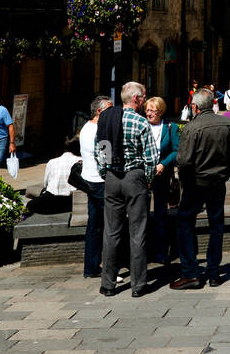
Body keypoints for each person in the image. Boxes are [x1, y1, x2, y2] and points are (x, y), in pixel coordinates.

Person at [171, 86, 230, 289]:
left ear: (194, 107)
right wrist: (225, 174)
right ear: (213, 103)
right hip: (217, 183)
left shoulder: (192, 128)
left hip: (195, 183)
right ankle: (213, 273)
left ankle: (191, 273)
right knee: (216, 226)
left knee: (184, 224)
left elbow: (183, 161)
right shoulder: (227, 124)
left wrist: (185, 180)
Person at [96, 82, 157, 298]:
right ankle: (139, 285)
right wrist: (147, 179)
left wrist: (107, 174)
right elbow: (151, 158)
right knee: (137, 231)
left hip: (113, 178)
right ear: (137, 99)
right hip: (134, 178)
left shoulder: (106, 118)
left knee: (111, 232)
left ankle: (108, 284)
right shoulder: (141, 122)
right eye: (143, 98)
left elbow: (101, 153)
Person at [74, 94, 112, 278]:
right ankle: (110, 266)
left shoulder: (86, 128)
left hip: (90, 181)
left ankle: (91, 267)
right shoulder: (99, 131)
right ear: (99, 111)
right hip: (100, 183)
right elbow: (107, 158)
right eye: (109, 109)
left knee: (94, 225)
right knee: (111, 225)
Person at [144, 97, 180, 269]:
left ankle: (160, 253)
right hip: (143, 177)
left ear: (161, 111)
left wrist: (163, 164)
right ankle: (143, 253)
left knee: (160, 214)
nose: (149, 113)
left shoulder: (170, 127)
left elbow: (176, 151)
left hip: (162, 176)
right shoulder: (141, 125)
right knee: (141, 215)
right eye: (148, 110)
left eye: (153, 110)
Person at [21, 136, 80, 217]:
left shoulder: (52, 162)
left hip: (51, 200)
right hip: (71, 200)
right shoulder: (81, 161)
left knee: (30, 205)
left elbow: (46, 184)